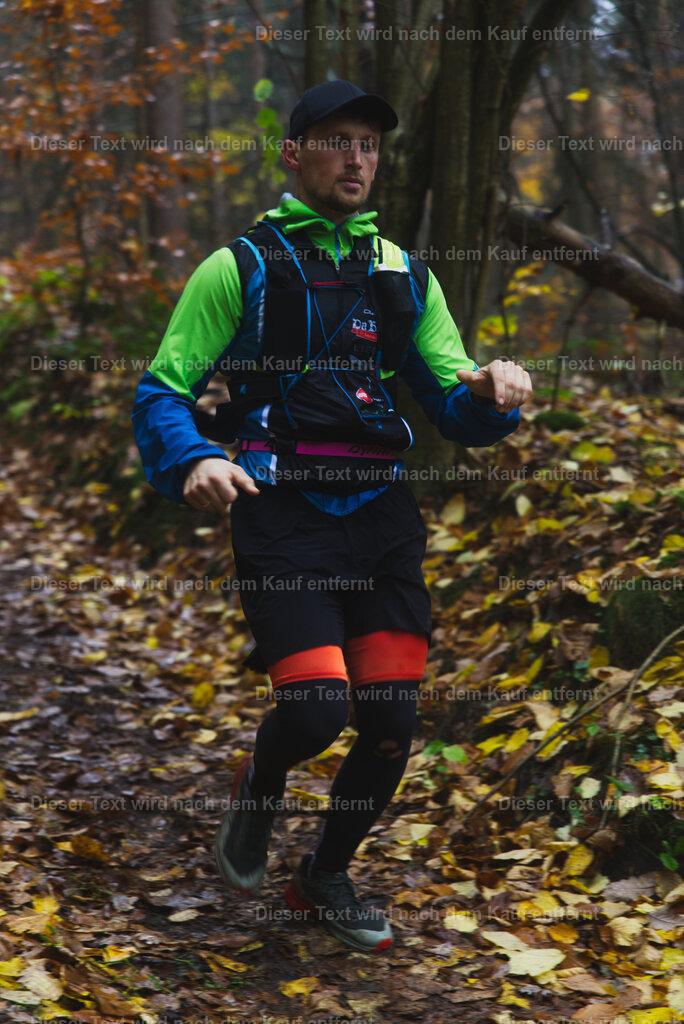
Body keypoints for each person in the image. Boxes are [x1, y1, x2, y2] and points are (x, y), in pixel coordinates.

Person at [132, 79, 532, 954]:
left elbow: (454, 406)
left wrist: (497, 395)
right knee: (316, 712)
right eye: (339, 139)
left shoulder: (405, 276)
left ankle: (324, 876)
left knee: (389, 721)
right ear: (294, 151)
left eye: (371, 144)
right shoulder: (238, 267)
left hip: (382, 515)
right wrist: (196, 456)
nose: (358, 158)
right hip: (282, 513)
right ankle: (260, 785)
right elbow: (161, 389)